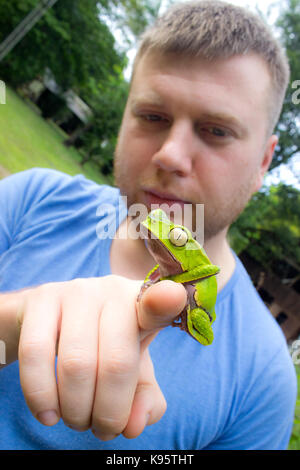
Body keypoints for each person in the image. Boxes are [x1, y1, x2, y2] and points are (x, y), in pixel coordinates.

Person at [0, 0, 297, 450]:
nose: (170, 156)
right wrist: (11, 325)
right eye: (152, 116)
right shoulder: (33, 200)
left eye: (216, 130)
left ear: (262, 161)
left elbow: (195, 273)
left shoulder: (263, 375)